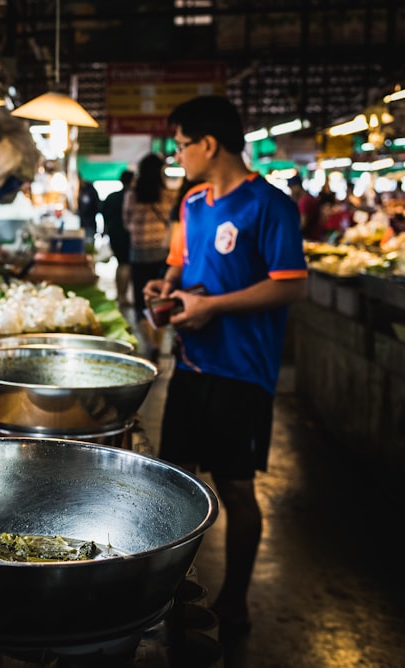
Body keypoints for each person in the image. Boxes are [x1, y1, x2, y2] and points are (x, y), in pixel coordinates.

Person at [144, 95, 307, 637]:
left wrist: (213, 306)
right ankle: (169, 591)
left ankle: (235, 599)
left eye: (181, 146)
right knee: (176, 483)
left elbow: (291, 285)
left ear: (208, 144)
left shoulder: (270, 205)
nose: (178, 156)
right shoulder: (192, 204)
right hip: (192, 366)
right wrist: (164, 292)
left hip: (243, 372)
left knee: (236, 488)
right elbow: (178, 267)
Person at [124, 153, 174, 326]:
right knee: (160, 299)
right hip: (161, 253)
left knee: (141, 298)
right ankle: (158, 342)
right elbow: (171, 222)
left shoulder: (132, 195)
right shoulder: (168, 195)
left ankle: (149, 342)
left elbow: (127, 222)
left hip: (138, 253)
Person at [99, 169, 134, 307]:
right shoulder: (132, 197)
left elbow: (103, 215)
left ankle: (120, 295)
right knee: (125, 265)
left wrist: (104, 231)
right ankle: (122, 296)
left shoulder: (112, 196)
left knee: (120, 264)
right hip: (127, 235)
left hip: (114, 234)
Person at [76, 173, 100, 244]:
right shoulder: (81, 190)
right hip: (83, 225)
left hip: (89, 225)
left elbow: (88, 208)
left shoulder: (89, 190)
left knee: (88, 246)